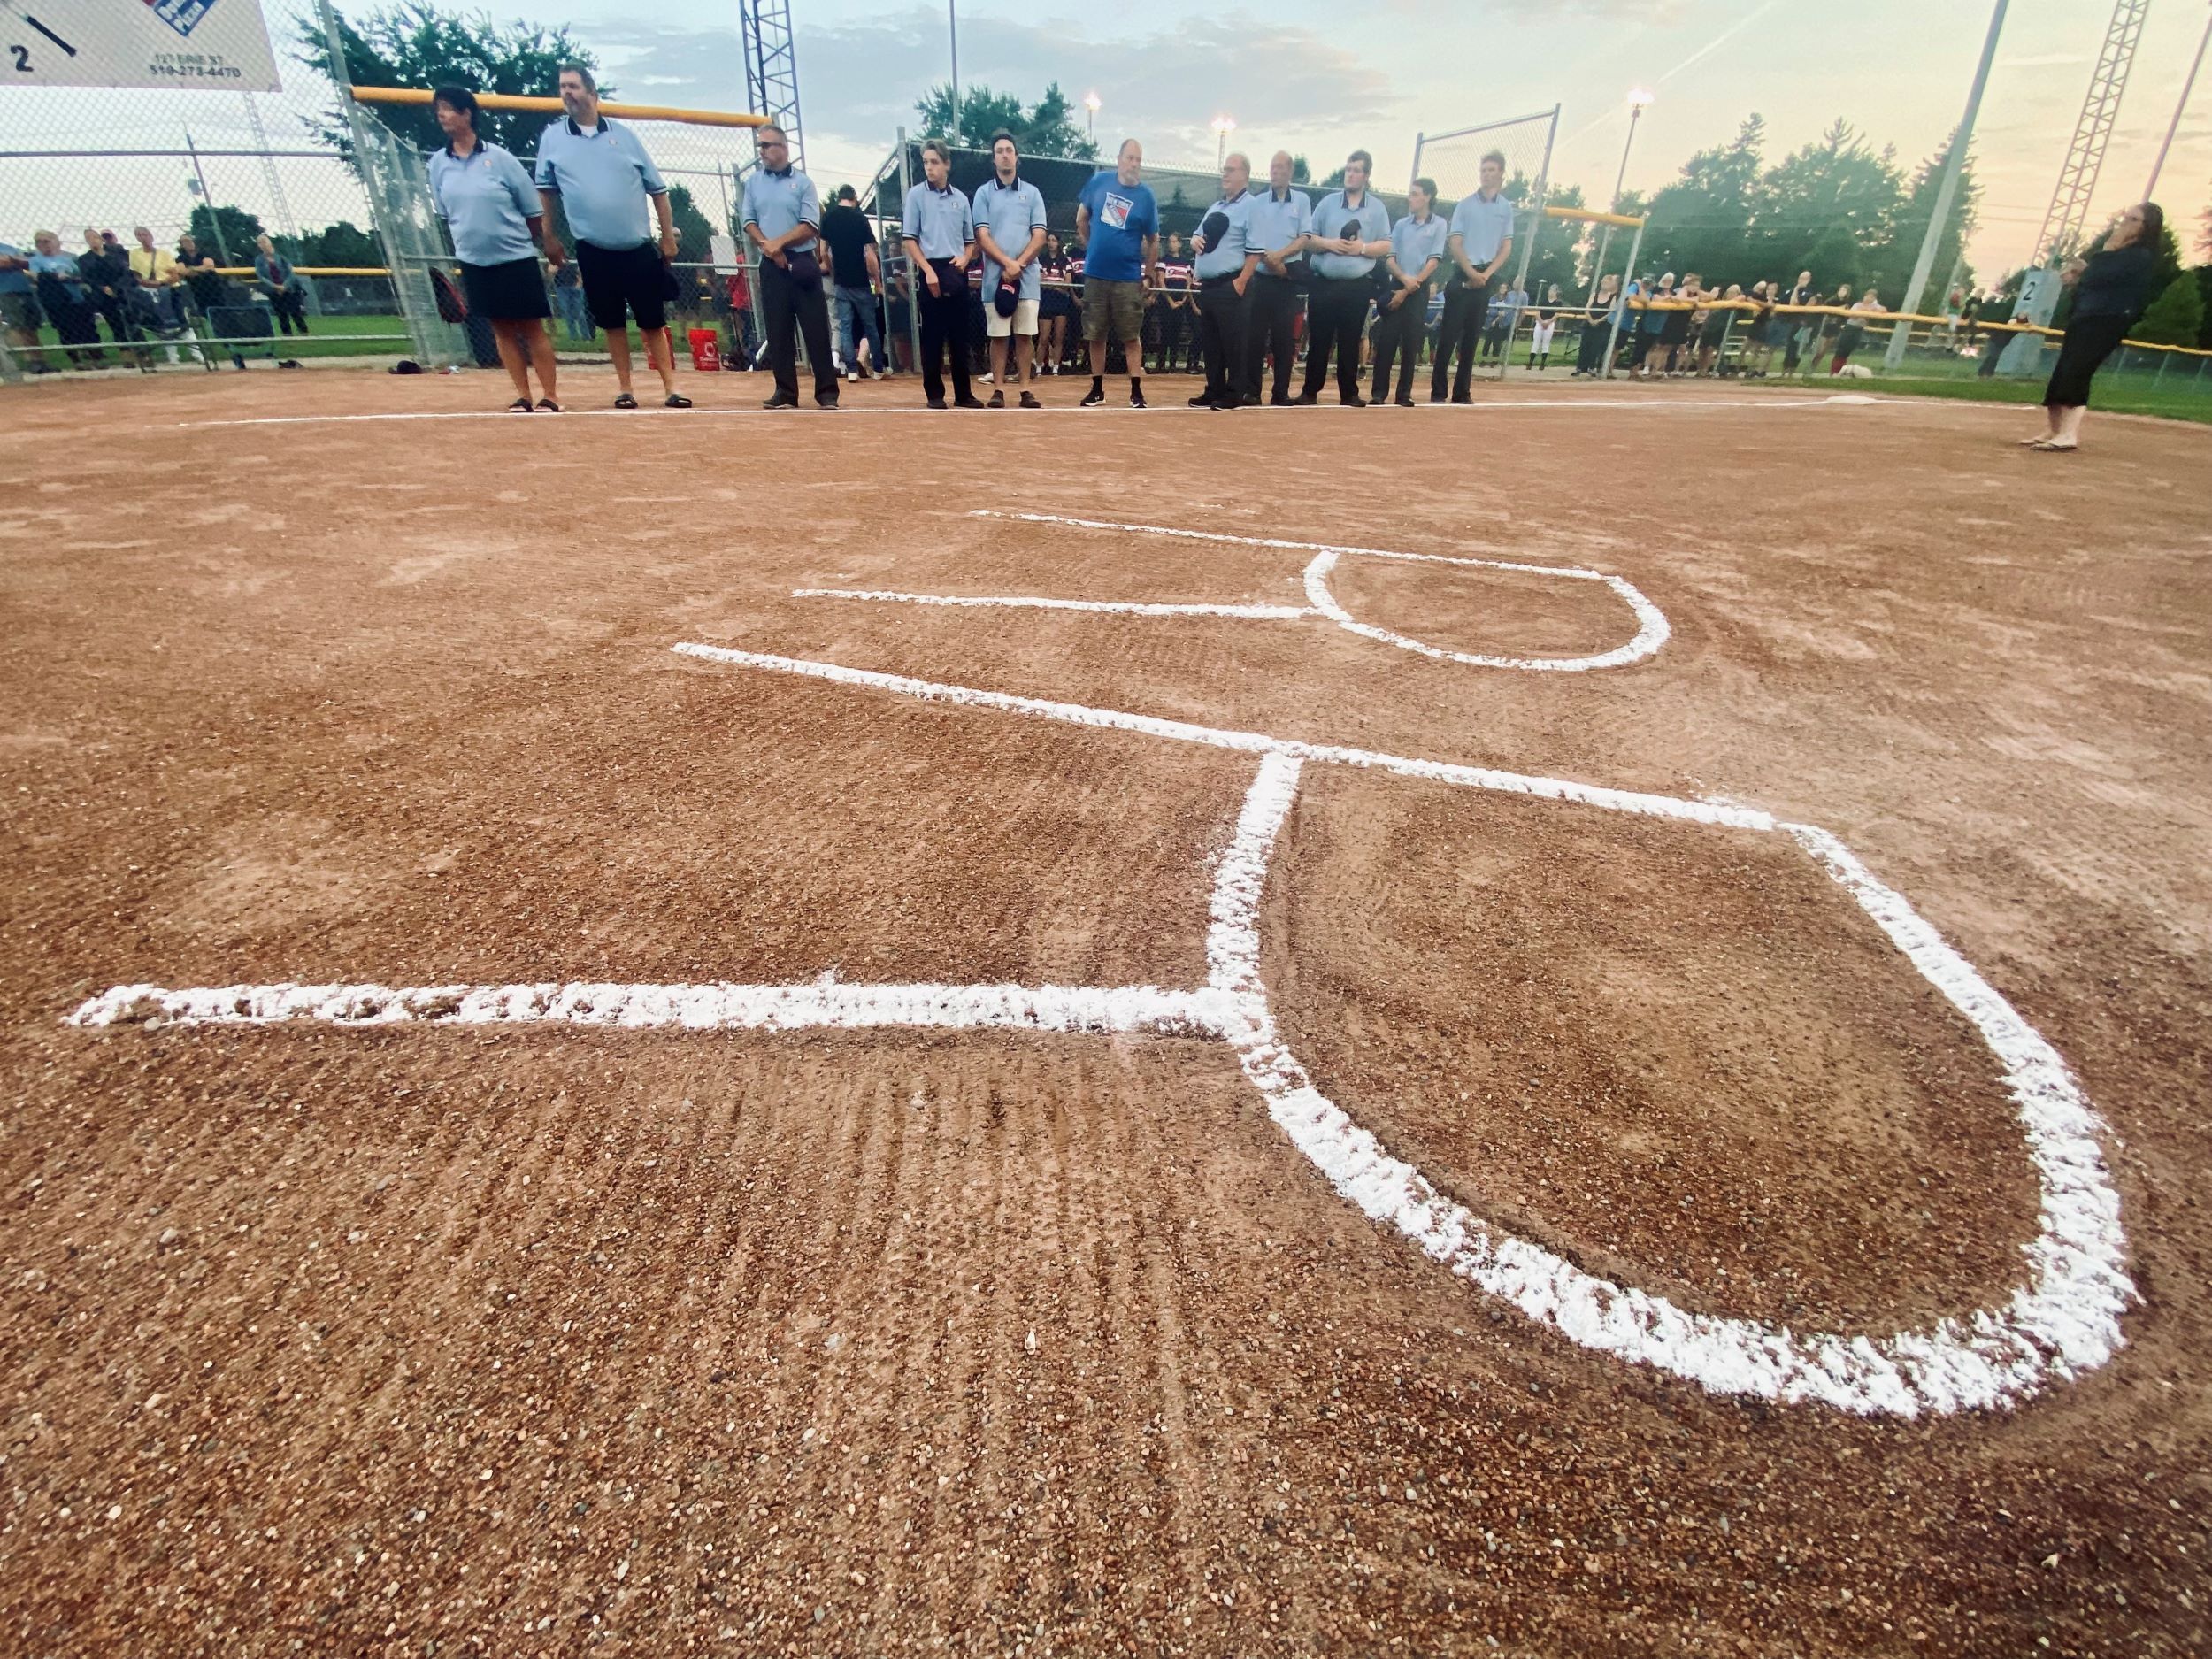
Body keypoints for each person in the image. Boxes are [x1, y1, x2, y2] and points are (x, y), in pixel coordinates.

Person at [534, 64, 689, 410]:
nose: (567, 93)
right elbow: (546, 193)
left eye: (574, 86)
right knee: (612, 321)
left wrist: (667, 237)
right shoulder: (553, 138)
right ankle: (625, 388)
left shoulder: (624, 136)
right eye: (562, 87)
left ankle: (670, 387)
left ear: (593, 94)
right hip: (593, 248)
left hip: (637, 246)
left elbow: (658, 191)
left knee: (653, 320)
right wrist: (549, 236)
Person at [427, 85, 561, 411]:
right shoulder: (438, 164)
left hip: (515, 258)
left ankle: (550, 396)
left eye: (447, 108)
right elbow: (446, 214)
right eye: (438, 109)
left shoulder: (500, 159)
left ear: (467, 113)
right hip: (474, 260)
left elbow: (532, 212)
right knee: (501, 328)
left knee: (531, 327)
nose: (441, 115)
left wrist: (519, 241)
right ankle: (523, 395)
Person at [2026, 202, 2162, 453]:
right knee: (2062, 371)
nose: (2124, 223)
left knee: (2078, 370)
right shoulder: (2115, 254)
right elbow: (2094, 280)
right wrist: (2078, 277)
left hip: (2107, 320)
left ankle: (2068, 434)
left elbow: (2102, 276)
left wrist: (2103, 254)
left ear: (2146, 227)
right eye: (2125, 217)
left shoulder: (2139, 256)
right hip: (2085, 316)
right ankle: (2054, 430)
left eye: (2133, 219)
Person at [740, 122, 839, 410]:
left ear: (783, 148)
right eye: (760, 145)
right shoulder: (753, 183)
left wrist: (779, 243)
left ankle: (827, 392)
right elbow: (749, 222)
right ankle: (785, 392)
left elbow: (810, 225)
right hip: (771, 264)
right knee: (778, 329)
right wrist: (768, 248)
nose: (761, 151)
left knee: (816, 327)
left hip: (802, 261)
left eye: (766, 145)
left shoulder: (804, 183)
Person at [1299, 148, 1391, 406]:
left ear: (1366, 175)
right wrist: (1330, 244)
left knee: (1351, 340)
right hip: (1324, 283)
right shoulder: (1328, 204)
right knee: (1319, 338)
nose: (1350, 175)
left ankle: (1348, 393)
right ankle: (1310, 392)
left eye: (1357, 170)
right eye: (1348, 169)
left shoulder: (1377, 208)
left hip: (1357, 286)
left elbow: (1386, 245)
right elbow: (1308, 238)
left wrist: (1361, 248)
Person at [1074, 138, 1160, 408]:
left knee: (1130, 336)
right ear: (1119, 159)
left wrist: (1147, 274)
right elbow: (1081, 219)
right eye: (1130, 158)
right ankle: (1097, 389)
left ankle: (1136, 391)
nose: (1134, 164)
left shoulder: (1146, 197)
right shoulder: (1099, 182)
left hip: (1127, 278)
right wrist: (1093, 248)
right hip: (1096, 274)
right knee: (1095, 334)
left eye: (1138, 159)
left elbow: (1154, 238)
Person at [900, 137, 984, 411]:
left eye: (934, 162)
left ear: (947, 164)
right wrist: (927, 271)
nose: (929, 168)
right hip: (931, 268)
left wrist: (965, 258)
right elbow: (910, 239)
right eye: (925, 162)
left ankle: (963, 393)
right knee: (933, 336)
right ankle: (934, 394)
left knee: (960, 335)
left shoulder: (960, 199)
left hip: (955, 268)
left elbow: (970, 242)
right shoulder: (916, 195)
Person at [1428, 150, 1516, 402]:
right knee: (1449, 336)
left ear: (1500, 173)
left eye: (1491, 170)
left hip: (1485, 278)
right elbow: (1455, 243)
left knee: (1471, 339)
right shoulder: (1465, 205)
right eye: (1483, 170)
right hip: (1462, 274)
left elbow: (1505, 247)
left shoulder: (1505, 208)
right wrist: (1470, 272)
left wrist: (1486, 274)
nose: (1486, 174)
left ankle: (1462, 392)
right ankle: (1438, 391)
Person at [972, 130, 1049, 409]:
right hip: (996, 278)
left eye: (1009, 150)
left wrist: (1020, 264)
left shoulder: (1032, 193)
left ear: (1016, 156)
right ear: (993, 159)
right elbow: (982, 235)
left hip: (1026, 279)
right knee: (998, 335)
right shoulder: (983, 193)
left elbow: (1039, 234)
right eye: (999, 151)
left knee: (1025, 335)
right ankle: (999, 390)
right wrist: (1006, 264)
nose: (1005, 154)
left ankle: (1026, 390)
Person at [1188, 150, 1260, 411]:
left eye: (1231, 170)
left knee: (1233, 342)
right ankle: (1214, 389)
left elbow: (1256, 250)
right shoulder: (1216, 206)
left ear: (1245, 175)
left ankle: (1235, 392)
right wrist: (1193, 241)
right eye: (1224, 170)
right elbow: (1196, 236)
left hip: (1232, 282)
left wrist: (1241, 282)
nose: (1225, 174)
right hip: (1209, 286)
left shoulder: (1252, 206)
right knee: (1211, 342)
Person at [1244, 150, 1312, 405]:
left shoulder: (1303, 200)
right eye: (1273, 167)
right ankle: (1252, 392)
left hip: (1287, 280)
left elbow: (1304, 237)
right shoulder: (1258, 201)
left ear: (1290, 172)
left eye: (1281, 167)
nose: (1275, 171)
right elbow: (1251, 236)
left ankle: (1280, 393)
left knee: (1285, 339)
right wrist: (1266, 258)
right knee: (1255, 337)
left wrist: (1280, 258)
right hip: (1261, 279)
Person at [1371, 176, 1444, 406]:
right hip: (1398, 284)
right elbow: (1390, 258)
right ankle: (1378, 393)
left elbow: (1434, 261)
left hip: (1418, 289)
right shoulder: (1402, 224)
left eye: (1415, 194)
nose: (1410, 198)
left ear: (1428, 197)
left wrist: (1414, 283)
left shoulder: (1439, 224)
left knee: (1411, 342)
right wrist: (1403, 281)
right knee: (1386, 340)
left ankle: (1404, 394)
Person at [819, 182, 886, 380]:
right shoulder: (860, 218)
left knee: (845, 326)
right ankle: (878, 369)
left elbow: (823, 252)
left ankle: (852, 370)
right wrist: (877, 281)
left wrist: (833, 269)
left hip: (841, 282)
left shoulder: (828, 217)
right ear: (854, 198)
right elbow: (870, 256)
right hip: (862, 282)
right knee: (870, 326)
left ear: (839, 197)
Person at [29, 231, 104, 366]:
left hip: (77, 297)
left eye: (46, 241)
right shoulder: (36, 260)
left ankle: (96, 357)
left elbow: (82, 275)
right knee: (66, 331)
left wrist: (71, 278)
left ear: (56, 241)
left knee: (87, 328)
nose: (42, 245)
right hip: (56, 301)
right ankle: (77, 361)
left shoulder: (70, 258)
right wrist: (55, 276)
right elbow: (35, 276)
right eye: (38, 242)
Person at [79, 228, 141, 364]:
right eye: (88, 238)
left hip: (122, 292)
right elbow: (87, 278)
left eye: (94, 237)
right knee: (116, 325)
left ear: (101, 239)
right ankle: (127, 358)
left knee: (133, 322)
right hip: (102, 296)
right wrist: (103, 287)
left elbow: (124, 272)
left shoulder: (115, 255)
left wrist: (115, 288)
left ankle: (143, 354)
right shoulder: (84, 259)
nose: (92, 240)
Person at [250, 234, 310, 337]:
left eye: (264, 241)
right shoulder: (259, 260)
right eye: (259, 243)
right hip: (273, 291)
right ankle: (287, 333)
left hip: (289, 289)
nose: (262, 244)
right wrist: (275, 286)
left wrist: (284, 286)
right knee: (281, 313)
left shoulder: (281, 257)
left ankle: (303, 331)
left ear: (270, 242)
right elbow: (261, 276)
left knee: (295, 311)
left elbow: (291, 273)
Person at [0, 241, 45, 372]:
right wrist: (16, 261)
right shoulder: (12, 251)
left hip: (24, 289)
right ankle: (29, 361)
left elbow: (29, 263)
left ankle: (39, 360)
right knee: (18, 326)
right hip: (6, 291)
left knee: (32, 326)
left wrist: (12, 260)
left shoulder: (9, 247)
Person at [1036, 231, 1073, 374]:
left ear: (1058, 243)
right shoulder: (1041, 259)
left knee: (1058, 337)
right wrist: (1056, 285)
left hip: (1061, 303)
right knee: (1044, 337)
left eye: (1054, 240)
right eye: (1049, 240)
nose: (1051, 243)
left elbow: (1068, 284)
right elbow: (1040, 281)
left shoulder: (1065, 261)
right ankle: (1039, 367)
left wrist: (1050, 283)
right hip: (1046, 300)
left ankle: (1056, 368)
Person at [1572, 273, 1622, 377]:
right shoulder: (1594, 295)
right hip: (1589, 324)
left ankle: (1592, 367)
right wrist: (1591, 320)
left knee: (1596, 347)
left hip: (1602, 326)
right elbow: (1587, 308)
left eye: (1607, 283)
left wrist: (1598, 321)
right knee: (1584, 346)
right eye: (1603, 282)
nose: (1604, 285)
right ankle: (1580, 367)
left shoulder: (1612, 297)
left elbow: (1610, 311)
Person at [174, 232, 226, 320]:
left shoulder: (203, 253)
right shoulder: (181, 258)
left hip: (213, 286)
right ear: (182, 245)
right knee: (204, 312)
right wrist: (199, 269)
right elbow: (181, 270)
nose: (190, 243)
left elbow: (209, 266)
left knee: (220, 310)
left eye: (191, 240)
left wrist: (192, 268)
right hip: (197, 289)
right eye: (186, 241)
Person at [1829, 288, 1881, 375]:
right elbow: (1853, 315)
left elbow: (1883, 310)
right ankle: (1834, 371)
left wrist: (1871, 308)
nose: (1869, 299)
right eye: (1868, 296)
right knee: (1841, 350)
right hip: (1850, 328)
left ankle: (1841, 371)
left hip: (1859, 329)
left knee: (1848, 351)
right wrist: (1866, 311)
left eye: (1872, 297)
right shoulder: (1858, 304)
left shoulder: (1874, 307)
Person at [1478, 278, 1527, 365]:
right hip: (1501, 322)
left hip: (1511, 322)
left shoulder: (1523, 295)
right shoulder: (1508, 294)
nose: (1515, 284)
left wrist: (1518, 323)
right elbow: (1496, 308)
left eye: (1517, 282)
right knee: (1493, 341)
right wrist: (1497, 316)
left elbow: (1523, 310)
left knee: (1503, 343)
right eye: (1515, 282)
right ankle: (1486, 360)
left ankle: (1501, 361)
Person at [1779, 270, 1816, 374]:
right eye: (1800, 278)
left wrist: (1796, 291)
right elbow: (1783, 302)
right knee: (1789, 347)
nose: (1801, 280)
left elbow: (1794, 304)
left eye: (1804, 278)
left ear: (1809, 280)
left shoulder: (1810, 292)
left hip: (1802, 324)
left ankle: (1791, 372)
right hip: (1789, 322)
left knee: (1797, 349)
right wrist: (1796, 289)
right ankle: (1784, 371)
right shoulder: (1791, 290)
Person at [1526, 282, 1562, 372]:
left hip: (1549, 323)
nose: (1551, 292)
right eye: (1550, 290)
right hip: (1540, 322)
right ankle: (1530, 362)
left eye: (1553, 291)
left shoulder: (1558, 303)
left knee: (1546, 343)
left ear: (1557, 292)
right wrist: (1541, 321)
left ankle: (1542, 363)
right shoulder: (1543, 301)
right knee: (1536, 342)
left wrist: (1548, 322)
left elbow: (1556, 315)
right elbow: (1537, 312)